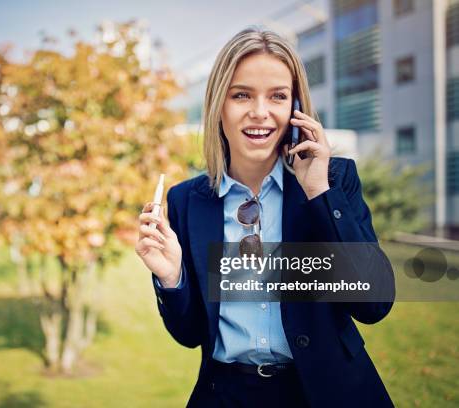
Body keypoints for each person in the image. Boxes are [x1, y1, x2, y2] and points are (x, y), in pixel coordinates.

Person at [135, 28, 396, 407]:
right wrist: (172, 277)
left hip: (326, 393)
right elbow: (190, 334)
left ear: (295, 108)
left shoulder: (332, 180)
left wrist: (319, 192)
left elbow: (373, 306)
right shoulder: (185, 200)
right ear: (218, 106)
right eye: (241, 95)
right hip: (227, 394)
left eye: (277, 96)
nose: (260, 112)